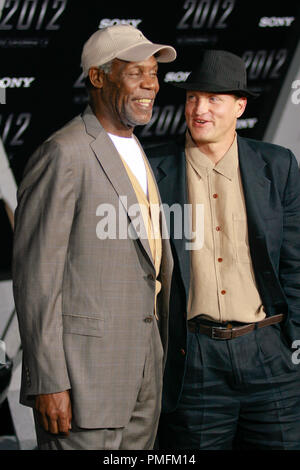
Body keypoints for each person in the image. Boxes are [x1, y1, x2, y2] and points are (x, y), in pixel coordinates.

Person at [12, 24, 176, 450]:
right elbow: (37, 279)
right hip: (83, 383)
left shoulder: (138, 150)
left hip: (142, 375)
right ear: (99, 77)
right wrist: (48, 381)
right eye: (135, 71)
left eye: (154, 73)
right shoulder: (64, 153)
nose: (150, 84)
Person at [148, 49, 300, 450]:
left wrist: (292, 342)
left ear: (240, 106)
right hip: (194, 357)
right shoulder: (152, 170)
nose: (200, 109)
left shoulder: (277, 165)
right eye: (193, 97)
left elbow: (295, 263)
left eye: (214, 99)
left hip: (270, 352)